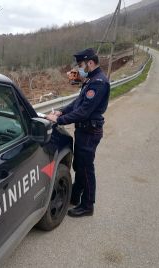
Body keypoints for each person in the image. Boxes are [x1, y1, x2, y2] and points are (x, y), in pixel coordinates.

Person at [46, 48, 110, 217]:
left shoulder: (98, 82)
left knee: (86, 168)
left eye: (81, 65)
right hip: (84, 130)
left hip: (89, 131)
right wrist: (61, 111)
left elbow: (83, 112)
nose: (80, 68)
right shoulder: (91, 79)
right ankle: (75, 195)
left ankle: (88, 205)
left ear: (90, 62)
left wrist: (58, 120)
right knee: (79, 166)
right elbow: (77, 103)